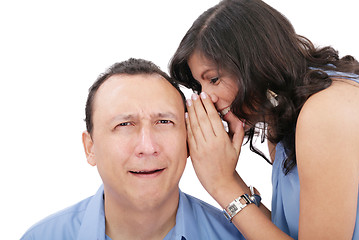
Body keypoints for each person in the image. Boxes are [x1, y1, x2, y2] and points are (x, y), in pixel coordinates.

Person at [170, 0, 359, 239]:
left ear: (254, 63)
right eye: (200, 85)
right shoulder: (282, 117)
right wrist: (227, 177)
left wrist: (221, 184)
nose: (208, 98)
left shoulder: (325, 112)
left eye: (214, 79)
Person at [21, 58, 245, 240]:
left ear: (189, 138)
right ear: (90, 148)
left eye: (164, 122)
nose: (148, 147)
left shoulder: (239, 235)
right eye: (124, 125)